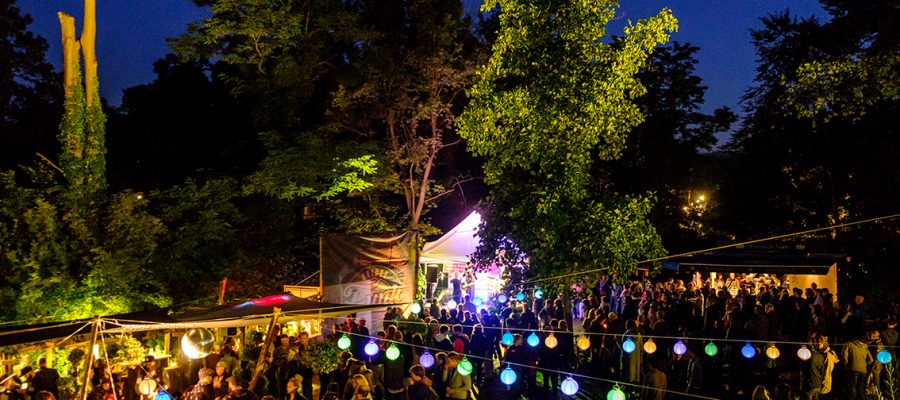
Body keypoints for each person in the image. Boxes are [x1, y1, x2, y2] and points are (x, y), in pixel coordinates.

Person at [805, 334, 837, 399]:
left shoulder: (829, 354)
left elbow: (829, 369)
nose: (819, 342)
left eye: (821, 341)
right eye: (818, 341)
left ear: (825, 342)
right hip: (814, 382)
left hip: (823, 381)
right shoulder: (815, 352)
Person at [843, 333, 873, 400]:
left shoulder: (849, 344)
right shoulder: (865, 346)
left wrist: (847, 365)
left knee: (853, 387)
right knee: (860, 387)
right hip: (863, 370)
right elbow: (871, 359)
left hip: (853, 369)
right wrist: (864, 364)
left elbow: (845, 357)